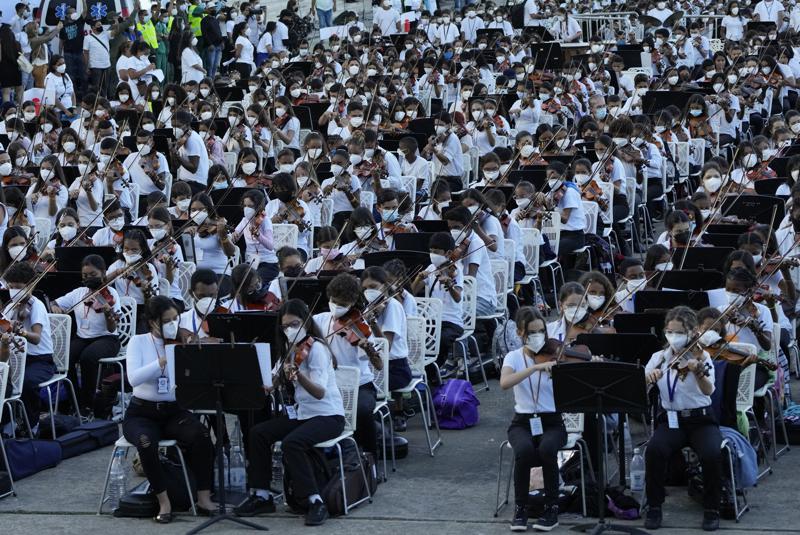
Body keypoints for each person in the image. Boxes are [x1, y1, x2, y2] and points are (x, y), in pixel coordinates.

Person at [234, 299, 344, 526]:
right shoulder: (288, 348)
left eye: (294, 324)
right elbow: (271, 383)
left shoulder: (318, 350)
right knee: (258, 433)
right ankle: (262, 494)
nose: (289, 330)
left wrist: (298, 376)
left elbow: (320, 392)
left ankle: (314, 500)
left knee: (292, 443)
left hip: (328, 416)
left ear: (305, 322)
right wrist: (267, 381)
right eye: (285, 327)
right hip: (303, 415)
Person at [123, 296, 216, 522]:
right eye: (167, 320)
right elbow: (133, 379)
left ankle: (204, 497)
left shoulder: (181, 341)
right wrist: (163, 360)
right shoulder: (139, 341)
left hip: (174, 411)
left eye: (176, 319)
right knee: (146, 442)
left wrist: (195, 351)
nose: (173, 324)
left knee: (202, 436)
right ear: (153, 322)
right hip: (142, 413)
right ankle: (164, 502)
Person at [643, 306, 721, 531]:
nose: (673, 337)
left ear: (692, 332)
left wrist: (698, 372)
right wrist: (648, 379)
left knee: (711, 453)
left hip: (701, 420)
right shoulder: (658, 358)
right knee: (655, 450)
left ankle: (712, 508)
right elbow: (639, 390)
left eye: (678, 332)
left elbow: (708, 391)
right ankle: (655, 507)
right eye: (669, 331)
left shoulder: (702, 355)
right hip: (671, 420)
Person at [500, 306, 566, 532]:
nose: (538, 337)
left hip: (552, 421)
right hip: (523, 421)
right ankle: (521, 509)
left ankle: (552, 509)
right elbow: (505, 383)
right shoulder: (513, 357)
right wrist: (536, 367)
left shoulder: (555, 355)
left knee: (548, 448)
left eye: (542, 332)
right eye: (532, 332)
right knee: (524, 451)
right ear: (520, 333)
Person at [51, 254, 122, 415]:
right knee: (64, 358)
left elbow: (112, 328)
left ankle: (87, 404)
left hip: (107, 339)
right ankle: (74, 400)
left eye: (93, 275)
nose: (88, 278)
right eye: (85, 275)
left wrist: (108, 315)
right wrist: (54, 306)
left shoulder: (111, 294)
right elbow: (55, 302)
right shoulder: (79, 293)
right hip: (83, 338)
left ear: (103, 273)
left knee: (88, 357)